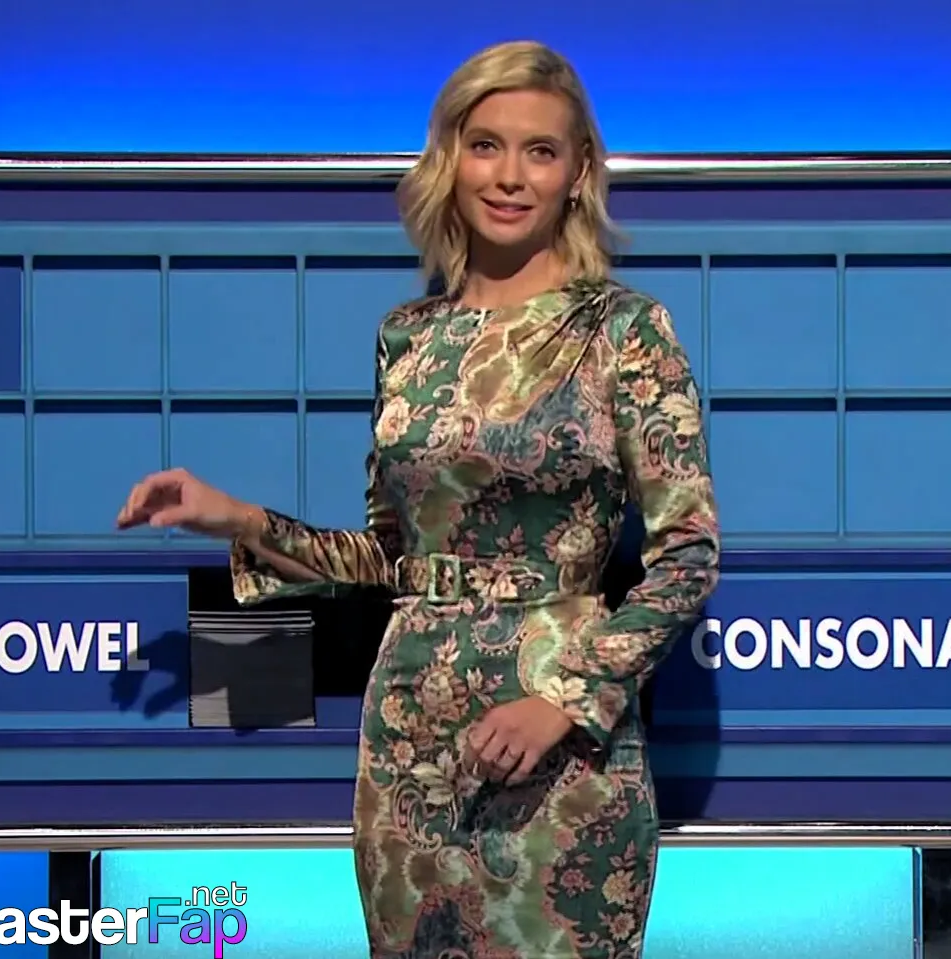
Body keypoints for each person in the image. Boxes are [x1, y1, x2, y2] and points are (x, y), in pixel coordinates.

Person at [117, 39, 720, 959]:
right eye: (486, 145)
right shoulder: (407, 338)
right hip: (411, 742)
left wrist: (564, 698)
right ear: (450, 159)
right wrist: (236, 518)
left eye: (540, 151)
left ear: (577, 173)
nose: (509, 175)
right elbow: (391, 559)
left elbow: (687, 557)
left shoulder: (625, 331)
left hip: (561, 751)